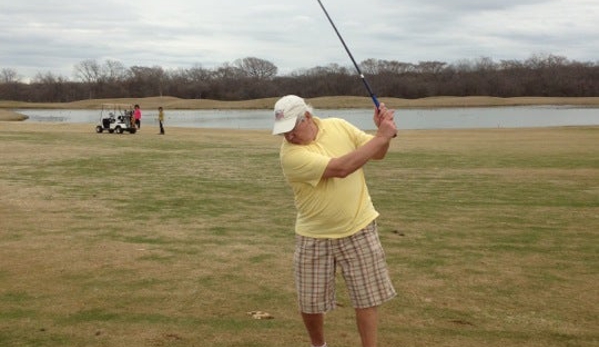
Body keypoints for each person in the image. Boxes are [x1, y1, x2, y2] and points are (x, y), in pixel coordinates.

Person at [272, 95, 397, 347]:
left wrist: (381, 135)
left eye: (291, 130)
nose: (288, 137)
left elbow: (378, 154)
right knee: (310, 302)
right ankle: (319, 346)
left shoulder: (338, 125)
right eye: (282, 133)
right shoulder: (290, 156)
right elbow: (341, 168)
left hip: (359, 227)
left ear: (307, 117)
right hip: (314, 235)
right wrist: (383, 135)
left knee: (367, 298)